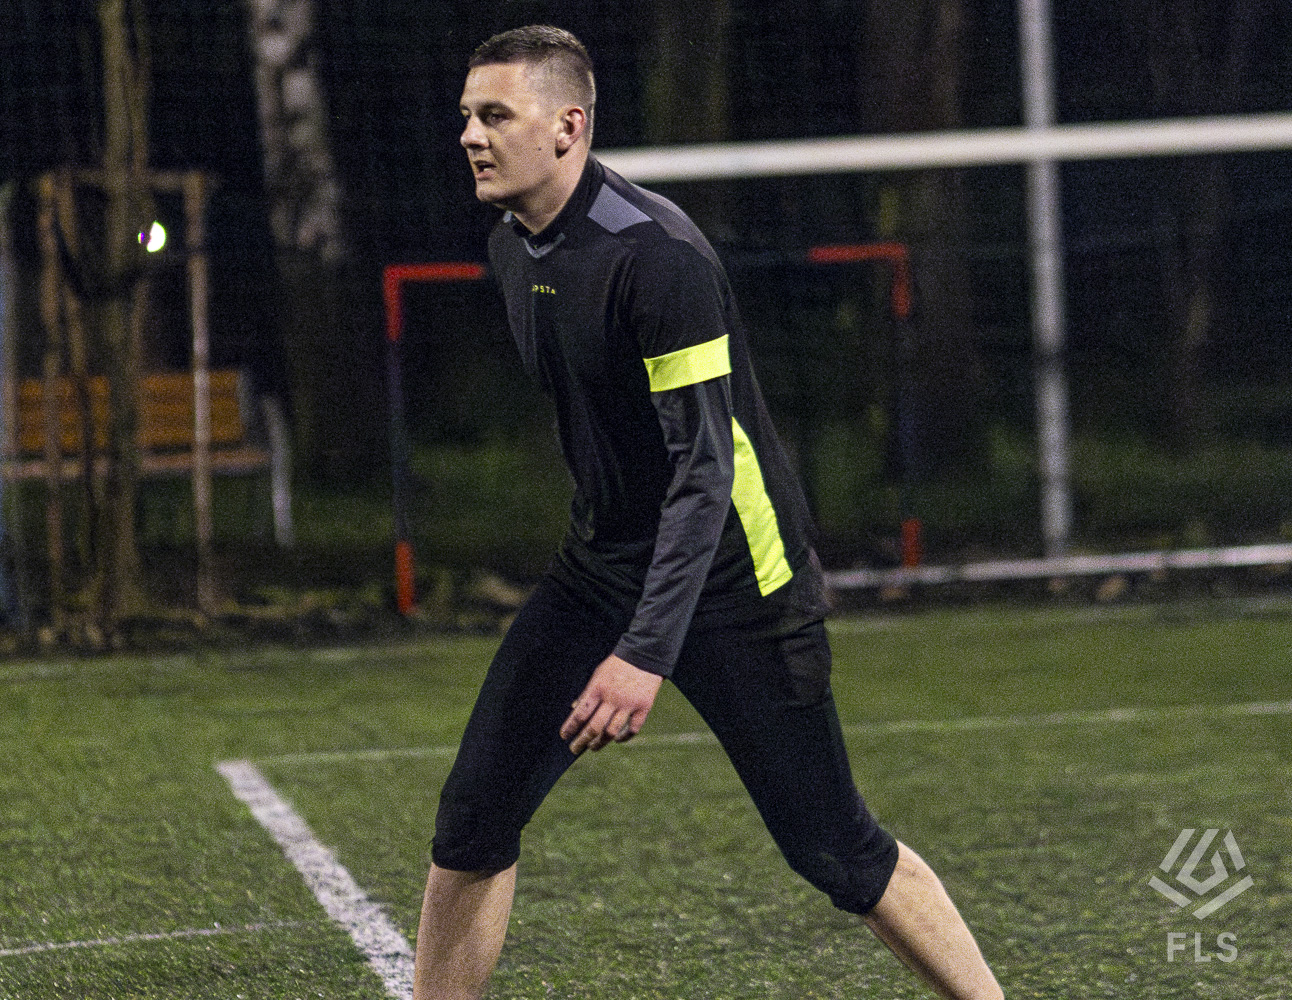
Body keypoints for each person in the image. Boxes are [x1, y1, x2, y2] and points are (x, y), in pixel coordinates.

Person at [413, 24, 1004, 1000]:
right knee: (472, 822)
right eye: (468, 116)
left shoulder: (658, 258)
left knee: (835, 848)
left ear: (567, 127)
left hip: (738, 579)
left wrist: (644, 652)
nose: (472, 136)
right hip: (601, 568)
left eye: (496, 115)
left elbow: (704, 471)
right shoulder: (511, 250)